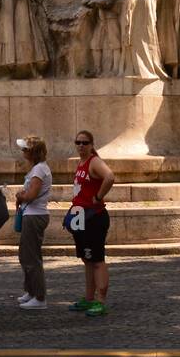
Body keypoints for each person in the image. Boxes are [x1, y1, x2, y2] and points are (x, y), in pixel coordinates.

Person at [68, 130, 114, 316]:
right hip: (81, 215)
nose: (81, 145)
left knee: (97, 260)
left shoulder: (94, 162)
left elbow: (109, 177)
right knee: (86, 259)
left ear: (92, 145)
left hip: (94, 216)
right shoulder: (81, 162)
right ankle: (88, 298)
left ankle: (101, 300)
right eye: (78, 142)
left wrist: (98, 196)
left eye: (85, 143)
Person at [14, 136, 52, 310]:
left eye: (25, 149)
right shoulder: (38, 169)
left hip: (34, 215)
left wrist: (20, 196)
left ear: (32, 152)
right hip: (33, 213)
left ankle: (39, 296)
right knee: (26, 255)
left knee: (31, 257)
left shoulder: (38, 171)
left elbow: (31, 195)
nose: (22, 152)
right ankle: (31, 291)